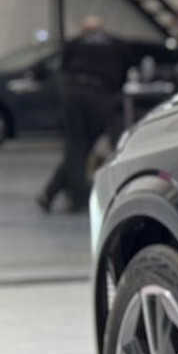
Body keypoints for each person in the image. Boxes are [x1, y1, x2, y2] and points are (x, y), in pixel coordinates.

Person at [36, 17, 128, 213]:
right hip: (102, 97)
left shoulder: (75, 44)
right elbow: (123, 71)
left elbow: (64, 67)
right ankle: (64, 195)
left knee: (77, 147)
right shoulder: (115, 44)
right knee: (82, 147)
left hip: (75, 95)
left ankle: (58, 194)